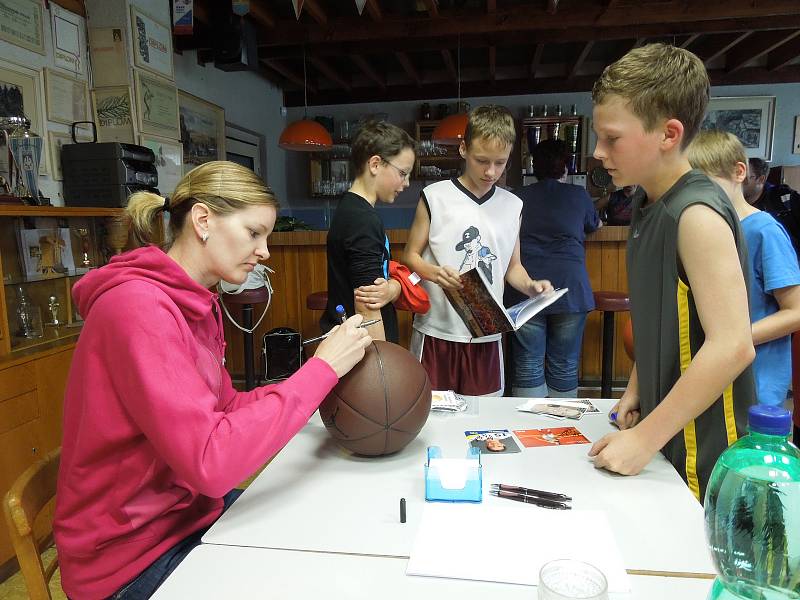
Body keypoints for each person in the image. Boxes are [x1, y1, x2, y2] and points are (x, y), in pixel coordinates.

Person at [53, 161, 372, 600]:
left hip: (186, 516)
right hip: (130, 557)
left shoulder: (195, 302)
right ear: (203, 220)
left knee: (320, 530)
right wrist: (321, 371)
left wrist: (314, 377)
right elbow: (212, 464)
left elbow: (226, 411)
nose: (265, 252)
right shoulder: (138, 308)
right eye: (253, 232)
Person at [587, 43, 756, 502]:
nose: (599, 152)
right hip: (666, 433)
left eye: (612, 138)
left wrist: (645, 439)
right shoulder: (646, 204)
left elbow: (734, 345)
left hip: (706, 448)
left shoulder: (696, 214)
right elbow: (662, 317)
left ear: (668, 133)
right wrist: (637, 389)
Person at [404, 104, 553, 396]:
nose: (490, 171)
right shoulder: (435, 197)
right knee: (431, 414)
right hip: (437, 329)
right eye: (481, 160)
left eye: (500, 162)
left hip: (485, 333)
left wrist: (531, 286)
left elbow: (513, 267)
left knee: (484, 418)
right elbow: (409, 255)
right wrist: (434, 273)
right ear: (463, 149)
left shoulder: (513, 205)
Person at [688, 130, 800, 407]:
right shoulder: (701, 232)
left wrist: (731, 339)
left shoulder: (765, 231)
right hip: (708, 379)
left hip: (754, 384)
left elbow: (795, 311)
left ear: (739, 172)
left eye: (706, 183)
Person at [510, 139, 600, 398]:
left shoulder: (517, 197)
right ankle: (563, 432)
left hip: (525, 286)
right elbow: (592, 225)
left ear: (533, 166)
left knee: (527, 364)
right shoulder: (579, 195)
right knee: (565, 365)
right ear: (566, 167)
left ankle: (527, 428)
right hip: (571, 288)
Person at [323, 120, 416, 343]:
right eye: (403, 173)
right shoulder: (362, 220)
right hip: (364, 344)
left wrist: (393, 288)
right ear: (375, 164)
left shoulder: (351, 208)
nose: (407, 183)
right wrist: (380, 369)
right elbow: (367, 308)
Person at [742, 157, 800, 257]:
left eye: (745, 178)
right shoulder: (735, 202)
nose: (739, 181)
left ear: (761, 179)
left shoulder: (784, 199)